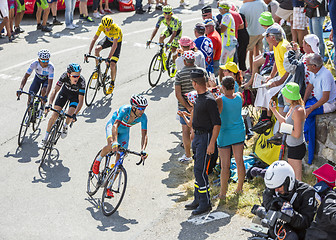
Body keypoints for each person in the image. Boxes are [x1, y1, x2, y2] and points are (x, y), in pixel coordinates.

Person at [91, 95, 149, 191]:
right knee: (111, 145)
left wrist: (143, 150)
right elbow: (115, 125)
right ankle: (98, 160)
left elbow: (144, 135)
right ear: (134, 108)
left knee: (120, 160)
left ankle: (109, 186)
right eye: (140, 109)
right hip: (113, 126)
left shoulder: (143, 117)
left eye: (144, 109)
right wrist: (115, 142)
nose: (142, 111)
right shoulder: (125, 110)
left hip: (124, 132)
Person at [184, 69, 221, 215]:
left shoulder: (208, 100)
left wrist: (212, 143)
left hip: (206, 138)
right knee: (197, 170)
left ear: (194, 83)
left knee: (201, 170)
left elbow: (217, 124)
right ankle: (198, 199)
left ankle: (205, 203)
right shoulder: (199, 97)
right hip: (198, 137)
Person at [262, 160, 317, 240]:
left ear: (288, 181)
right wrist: (277, 204)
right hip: (275, 225)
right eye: (274, 188)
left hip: (296, 230)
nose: (276, 190)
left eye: (279, 187)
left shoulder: (307, 192)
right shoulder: (273, 187)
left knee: (292, 237)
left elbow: (307, 223)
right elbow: (266, 202)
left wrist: (292, 215)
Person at [38, 64, 85, 148]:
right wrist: (50, 104)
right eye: (74, 76)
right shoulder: (64, 76)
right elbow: (55, 90)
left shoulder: (81, 82)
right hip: (64, 93)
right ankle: (45, 139)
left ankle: (65, 126)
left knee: (70, 115)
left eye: (78, 76)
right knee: (54, 115)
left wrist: (75, 114)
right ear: (68, 74)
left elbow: (81, 101)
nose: (76, 78)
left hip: (75, 97)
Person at [215, 76, 245, 199]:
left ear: (223, 87)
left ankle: (222, 194)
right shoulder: (239, 96)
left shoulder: (219, 99)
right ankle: (239, 188)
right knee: (239, 161)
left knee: (225, 166)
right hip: (238, 131)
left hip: (225, 133)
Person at [303, 53, 336, 164]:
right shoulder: (314, 72)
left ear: (314, 66)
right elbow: (309, 86)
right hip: (317, 100)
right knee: (303, 111)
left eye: (307, 65)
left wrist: (310, 109)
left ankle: (308, 143)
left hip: (328, 104)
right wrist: (303, 102)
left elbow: (325, 98)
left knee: (307, 115)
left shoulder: (325, 75)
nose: (306, 66)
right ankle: (308, 142)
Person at [175, 51, 207, 163]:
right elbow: (206, 87)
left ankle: (188, 155)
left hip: (184, 106)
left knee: (185, 131)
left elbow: (178, 94)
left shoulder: (179, 74)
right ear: (194, 60)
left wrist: (188, 107)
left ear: (184, 61)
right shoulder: (202, 72)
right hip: (201, 104)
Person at [269, 83, 306, 181]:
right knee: (292, 175)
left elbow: (297, 134)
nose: (284, 96)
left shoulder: (298, 110)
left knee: (297, 178)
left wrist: (285, 128)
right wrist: (274, 111)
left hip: (296, 147)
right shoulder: (292, 107)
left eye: (285, 94)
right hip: (292, 145)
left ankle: (298, 194)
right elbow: (285, 121)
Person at [86, 16, 122, 95]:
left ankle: (112, 83)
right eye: (105, 28)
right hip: (108, 39)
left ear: (111, 25)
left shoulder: (116, 28)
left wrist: (109, 58)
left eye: (108, 28)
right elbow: (94, 39)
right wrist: (89, 53)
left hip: (116, 42)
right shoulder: (101, 26)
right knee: (96, 49)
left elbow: (115, 45)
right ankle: (97, 68)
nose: (106, 29)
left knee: (112, 64)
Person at [147, 5, 182, 71]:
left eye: (169, 13)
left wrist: (169, 43)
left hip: (177, 32)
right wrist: (150, 39)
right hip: (169, 29)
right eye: (166, 13)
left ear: (172, 14)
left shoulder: (175, 20)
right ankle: (162, 53)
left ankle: (174, 65)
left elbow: (174, 33)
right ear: (163, 13)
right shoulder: (161, 18)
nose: (167, 16)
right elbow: (156, 28)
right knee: (161, 37)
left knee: (173, 48)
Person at [239, 0, 267, 73]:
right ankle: (258, 70)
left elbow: (242, 22)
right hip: (263, 31)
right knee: (261, 51)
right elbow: (267, 13)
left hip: (251, 32)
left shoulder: (243, 7)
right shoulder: (261, 3)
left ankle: (249, 70)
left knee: (248, 51)